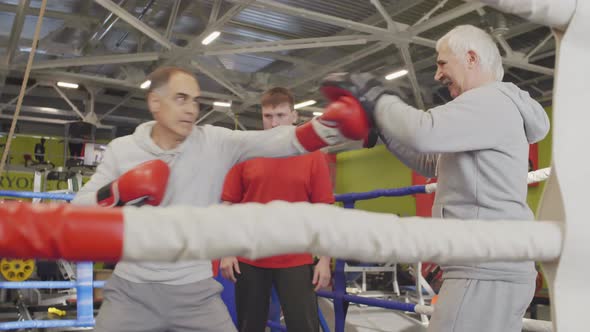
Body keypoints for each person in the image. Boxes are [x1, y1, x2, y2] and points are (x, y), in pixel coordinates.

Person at [72, 66, 370, 332]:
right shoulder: (122, 149)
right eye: (181, 98)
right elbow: (78, 212)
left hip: (196, 292)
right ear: (155, 103)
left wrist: (329, 126)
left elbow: (278, 140)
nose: (191, 109)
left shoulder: (214, 142)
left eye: (195, 100)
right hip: (130, 290)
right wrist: (119, 191)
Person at [320, 24, 550, 332]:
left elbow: (422, 132)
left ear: (471, 58)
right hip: (491, 264)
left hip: (485, 266)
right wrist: (383, 127)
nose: (438, 75)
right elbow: (431, 161)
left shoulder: (490, 100)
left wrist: (379, 98)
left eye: (442, 63)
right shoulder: (486, 111)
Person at [220, 87, 333, 332]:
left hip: (295, 257)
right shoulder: (246, 150)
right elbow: (228, 204)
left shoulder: (312, 155)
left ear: (294, 116)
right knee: (249, 326)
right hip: (249, 257)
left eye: (281, 115)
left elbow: (323, 208)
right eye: (268, 116)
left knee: (305, 326)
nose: (274, 123)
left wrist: (324, 260)